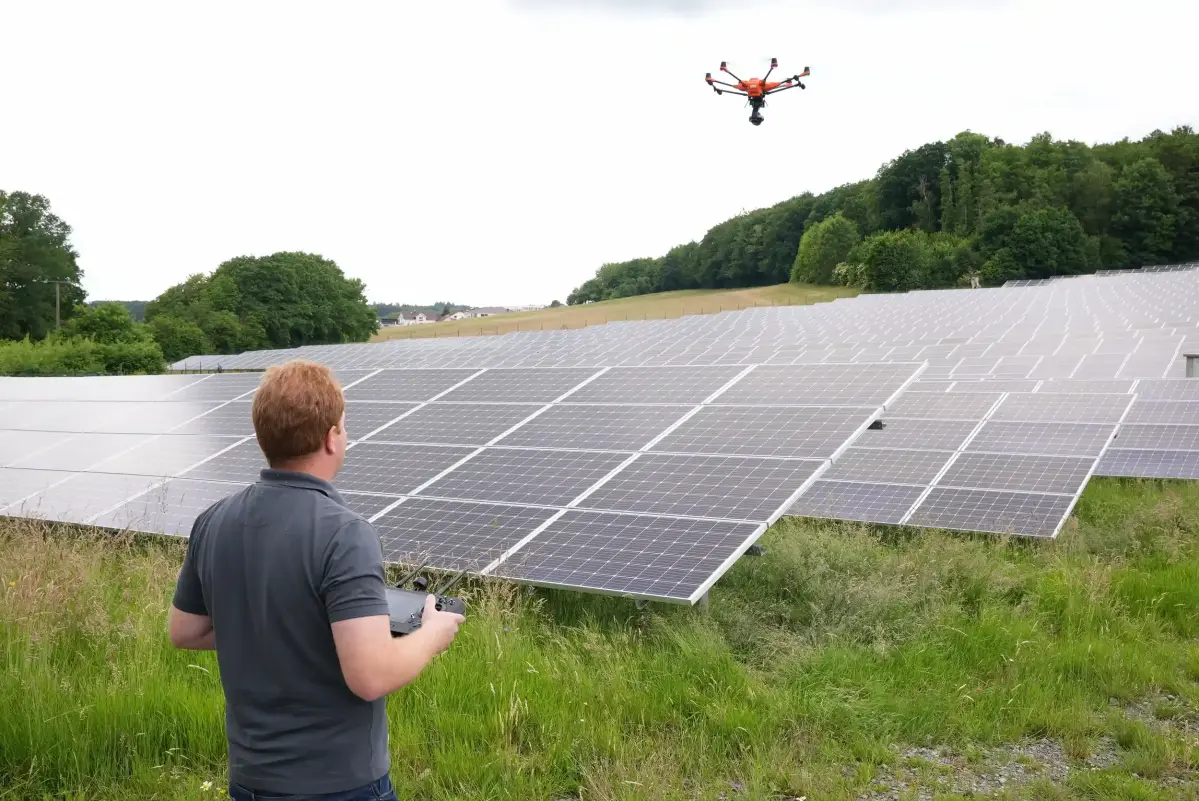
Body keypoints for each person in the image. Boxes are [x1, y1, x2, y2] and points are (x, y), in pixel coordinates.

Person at [167, 359, 464, 800]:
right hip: (339, 786)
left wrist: (286, 626)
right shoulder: (345, 534)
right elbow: (369, 675)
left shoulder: (214, 520)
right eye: (344, 427)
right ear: (330, 438)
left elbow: (185, 631)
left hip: (250, 784)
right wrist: (433, 635)